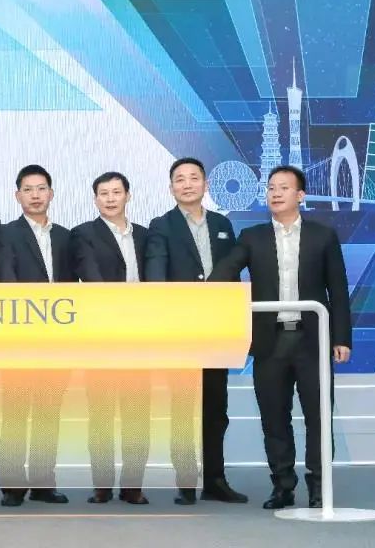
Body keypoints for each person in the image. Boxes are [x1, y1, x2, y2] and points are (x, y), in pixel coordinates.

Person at [209, 165, 352, 509]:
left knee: (318, 417)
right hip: (269, 342)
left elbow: (338, 289)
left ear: (300, 195)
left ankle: (319, 487)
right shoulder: (252, 237)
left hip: (312, 341)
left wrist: (341, 338)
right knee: (274, 418)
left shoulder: (323, 236)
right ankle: (282, 486)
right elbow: (225, 272)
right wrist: (205, 292)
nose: (275, 193)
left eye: (284, 187)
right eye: (271, 187)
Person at [145, 157, 249, 506]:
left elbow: (232, 275)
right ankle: (186, 481)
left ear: (205, 185)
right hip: (181, 332)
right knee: (183, 409)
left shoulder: (222, 224)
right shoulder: (161, 225)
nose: (187, 184)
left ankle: (216, 480)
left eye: (193, 178)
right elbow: (156, 274)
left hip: (216, 330)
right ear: (171, 188)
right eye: (180, 179)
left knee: (216, 409)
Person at [70, 172, 151, 505]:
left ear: (127, 196)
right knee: (101, 414)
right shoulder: (83, 234)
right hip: (102, 336)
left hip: (140, 337)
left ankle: (133, 485)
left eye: (116, 192)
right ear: (95, 199)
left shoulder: (145, 235)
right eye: (103, 193)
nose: (110, 198)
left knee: (137, 414)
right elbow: (90, 276)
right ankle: (102, 484)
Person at [0, 165, 72, 507]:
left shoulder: (66, 237)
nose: (35, 195)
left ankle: (43, 483)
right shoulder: (7, 234)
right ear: (18, 196)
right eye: (28, 189)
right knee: (15, 414)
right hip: (20, 340)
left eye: (41, 189)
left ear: (51, 194)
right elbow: (5, 280)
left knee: (48, 414)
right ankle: (12, 486)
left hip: (57, 342)